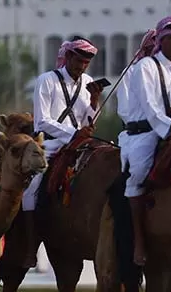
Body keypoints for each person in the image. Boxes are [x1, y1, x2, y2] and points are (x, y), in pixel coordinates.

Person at [118, 16, 171, 266]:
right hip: (145, 134)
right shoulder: (144, 67)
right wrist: (170, 126)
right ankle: (139, 241)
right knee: (139, 174)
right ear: (161, 41)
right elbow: (151, 107)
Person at [11, 38, 102, 269]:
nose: (81, 66)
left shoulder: (88, 82)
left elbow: (90, 122)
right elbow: (42, 121)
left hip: (81, 143)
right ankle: (31, 245)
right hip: (50, 144)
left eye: (86, 63)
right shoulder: (47, 80)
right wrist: (73, 134)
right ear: (68, 57)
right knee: (31, 189)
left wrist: (94, 102)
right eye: (78, 61)